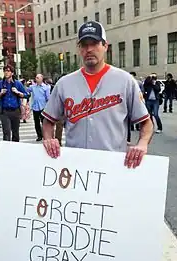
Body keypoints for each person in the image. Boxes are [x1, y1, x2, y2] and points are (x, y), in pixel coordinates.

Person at [42, 21, 153, 169]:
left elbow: (146, 122)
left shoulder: (125, 81)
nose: (89, 49)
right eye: (84, 45)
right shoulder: (64, 83)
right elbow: (48, 120)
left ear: (105, 46)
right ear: (79, 49)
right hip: (75, 166)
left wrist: (142, 144)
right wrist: (49, 139)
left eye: (94, 43)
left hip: (113, 165)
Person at [0, 65, 28, 142]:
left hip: (15, 110)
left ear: (12, 73)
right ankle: (7, 150)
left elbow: (26, 95)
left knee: (15, 132)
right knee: (6, 132)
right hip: (5, 111)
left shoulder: (17, 83)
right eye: (5, 71)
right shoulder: (0, 83)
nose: (6, 72)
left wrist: (18, 92)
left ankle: (14, 150)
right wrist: (0, 93)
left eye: (8, 71)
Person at [28, 74, 50, 141]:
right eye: (36, 77)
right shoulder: (33, 87)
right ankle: (39, 135)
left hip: (43, 107)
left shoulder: (46, 87)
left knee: (44, 123)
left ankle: (45, 135)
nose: (36, 79)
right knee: (36, 123)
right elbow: (26, 90)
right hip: (35, 107)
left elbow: (48, 98)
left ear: (41, 79)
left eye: (37, 77)